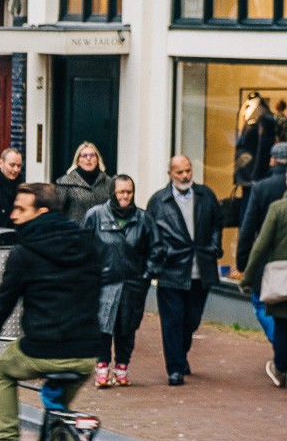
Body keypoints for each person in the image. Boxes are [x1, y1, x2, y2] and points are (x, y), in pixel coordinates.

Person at [0, 184, 102, 441]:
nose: (14, 215)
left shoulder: (24, 251)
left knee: (4, 371)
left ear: (41, 212)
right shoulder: (87, 243)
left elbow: (4, 300)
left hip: (43, 348)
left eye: (21, 209)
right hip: (85, 353)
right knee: (58, 410)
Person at [146, 155, 223, 386]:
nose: (185, 176)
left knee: (192, 320)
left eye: (188, 170)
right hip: (171, 270)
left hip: (201, 269)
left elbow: (218, 222)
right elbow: (150, 233)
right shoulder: (159, 201)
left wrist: (214, 246)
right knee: (172, 321)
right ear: (170, 174)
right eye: (179, 172)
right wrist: (162, 255)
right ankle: (175, 368)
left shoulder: (206, 195)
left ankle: (181, 353)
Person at [83, 176, 153, 387]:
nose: (125, 196)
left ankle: (122, 366)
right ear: (112, 192)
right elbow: (82, 246)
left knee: (127, 328)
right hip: (103, 282)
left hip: (132, 283)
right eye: (121, 192)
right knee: (103, 327)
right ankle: (102, 367)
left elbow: (155, 249)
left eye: (129, 192)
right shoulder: (95, 216)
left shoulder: (142, 219)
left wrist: (147, 275)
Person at [236, 142, 287, 343]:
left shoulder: (261, 188)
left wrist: (243, 263)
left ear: (272, 160)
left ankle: (280, 348)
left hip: (268, 261)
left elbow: (248, 229)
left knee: (261, 303)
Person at [241, 194, 287, 387]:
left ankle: (281, 370)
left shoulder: (278, 209)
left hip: (282, 279)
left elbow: (261, 245)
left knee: (282, 325)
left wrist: (248, 277)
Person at [56, 142, 113, 224]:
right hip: (76, 232)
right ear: (78, 160)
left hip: (102, 231)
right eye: (84, 156)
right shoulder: (65, 182)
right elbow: (58, 211)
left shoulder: (108, 182)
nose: (88, 158)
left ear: (97, 160)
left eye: (92, 155)